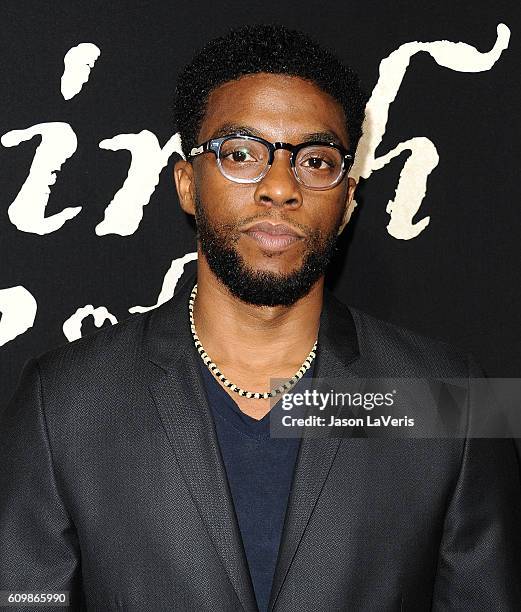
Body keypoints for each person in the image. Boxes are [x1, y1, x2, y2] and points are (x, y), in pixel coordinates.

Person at [0, 24, 520, 612]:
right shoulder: (65, 403)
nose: (278, 186)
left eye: (316, 161)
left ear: (348, 199)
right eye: (242, 153)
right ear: (186, 183)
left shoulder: (450, 399)